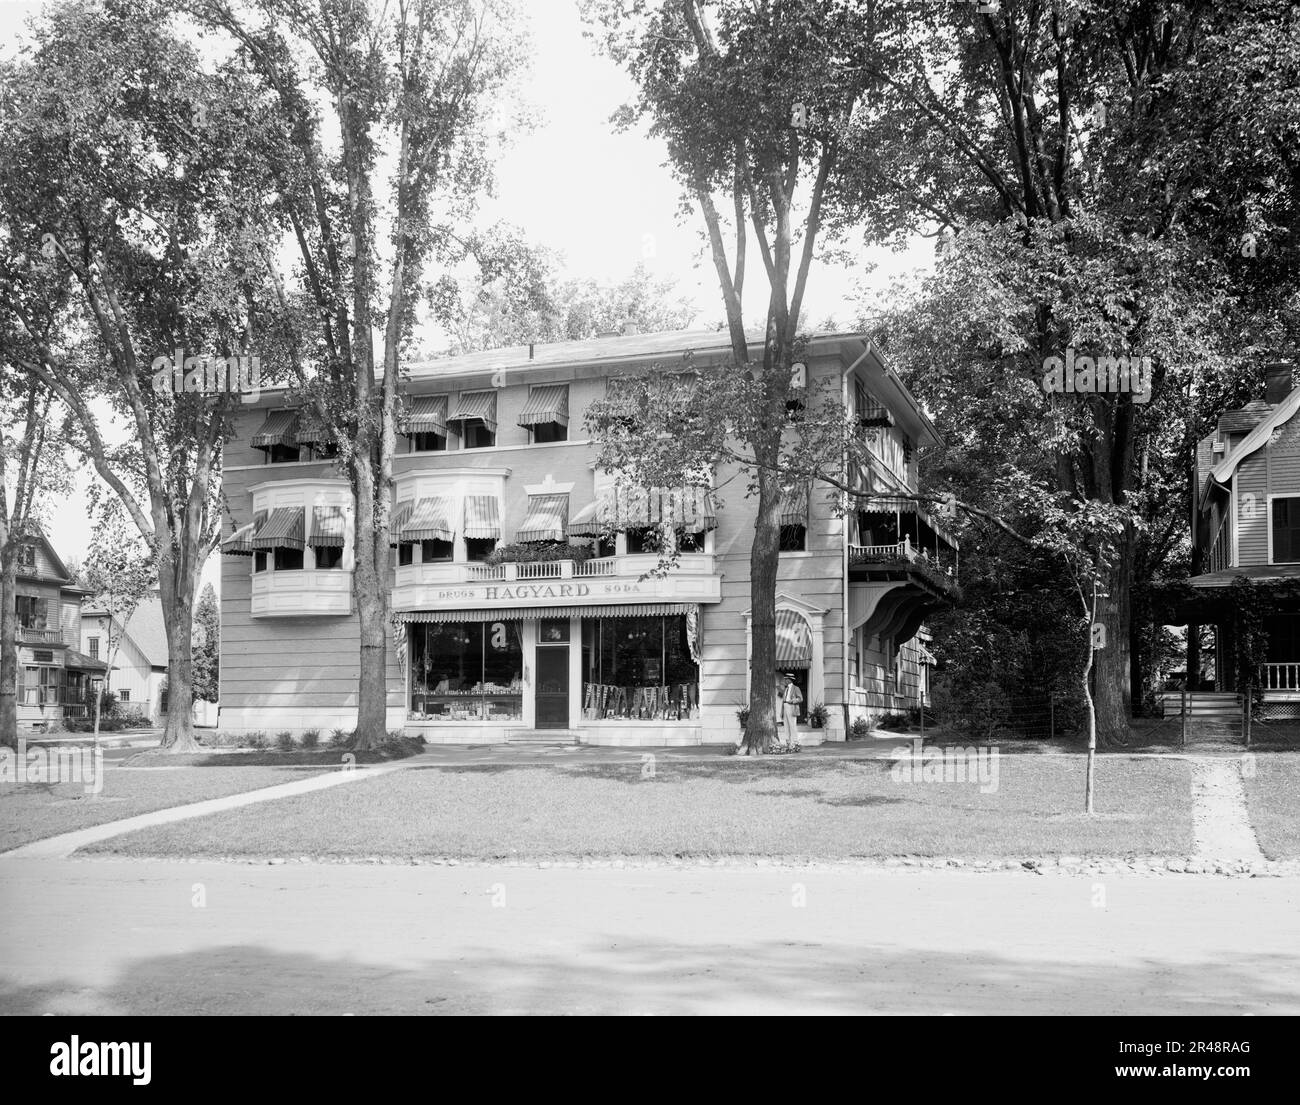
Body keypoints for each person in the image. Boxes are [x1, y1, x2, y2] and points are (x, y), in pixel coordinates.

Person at [780, 672, 803, 749]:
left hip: (791, 707)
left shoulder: (796, 688)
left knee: (792, 725)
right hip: (785, 706)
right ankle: (788, 742)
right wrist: (781, 711)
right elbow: (783, 700)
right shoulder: (786, 689)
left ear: (790, 680)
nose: (785, 680)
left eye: (786, 679)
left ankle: (794, 742)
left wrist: (793, 701)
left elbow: (800, 698)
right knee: (786, 725)